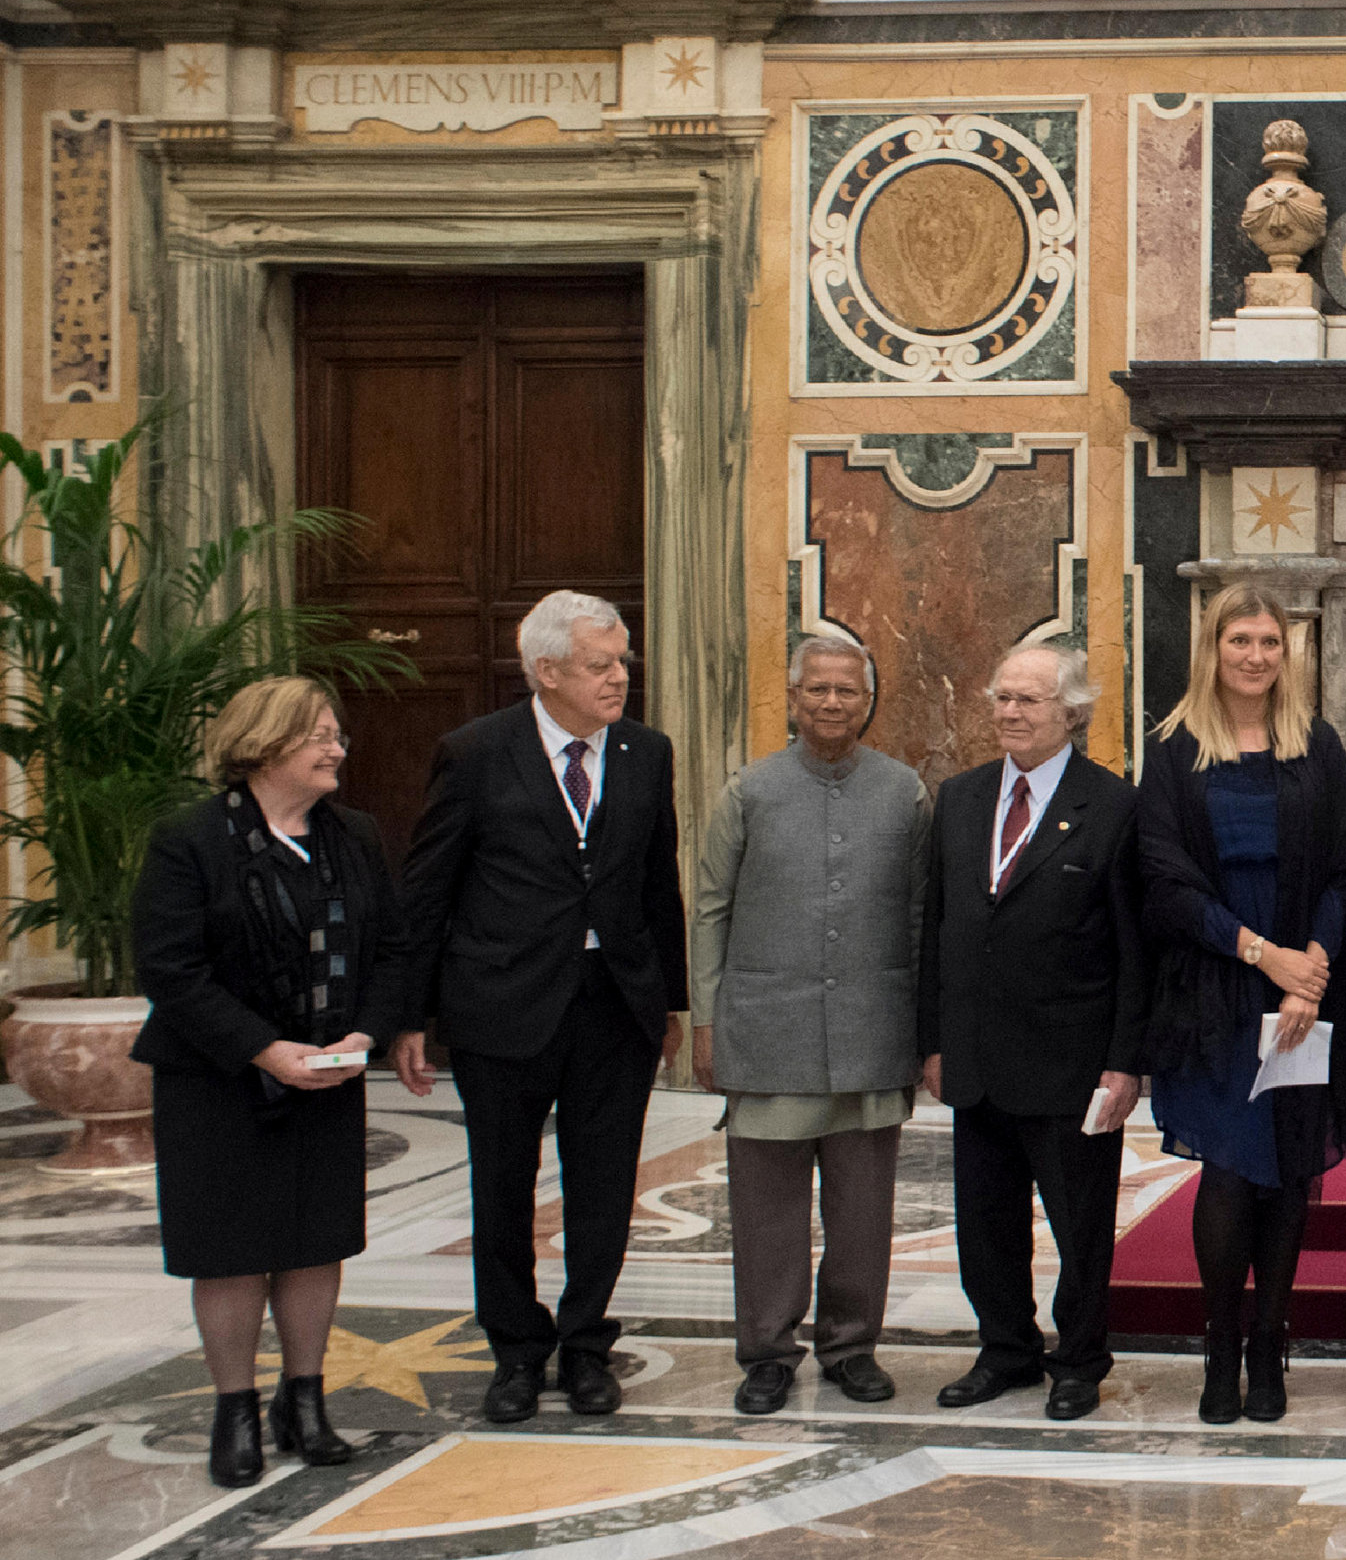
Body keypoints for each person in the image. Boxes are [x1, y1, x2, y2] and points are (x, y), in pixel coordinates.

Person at [389, 591, 688, 1426]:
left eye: (623, 661)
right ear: (547, 671)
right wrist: (408, 1015)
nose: (619, 677)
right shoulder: (476, 753)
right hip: (501, 1006)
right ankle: (517, 1350)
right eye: (600, 664)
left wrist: (670, 1002)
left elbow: (656, 884)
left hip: (614, 1007)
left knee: (604, 1188)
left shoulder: (645, 752)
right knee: (502, 1188)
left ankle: (587, 1344)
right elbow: (428, 890)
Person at [133, 680, 407, 1487]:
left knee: (317, 1241)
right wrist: (262, 1049)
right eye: (318, 735)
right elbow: (170, 970)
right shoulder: (189, 840)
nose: (336, 749)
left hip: (327, 1074)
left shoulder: (354, 835)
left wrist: (367, 1034)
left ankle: (305, 1400)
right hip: (216, 1079)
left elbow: (393, 949)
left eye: (336, 735)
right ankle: (236, 1410)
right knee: (230, 1250)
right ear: (262, 744)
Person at [690, 633, 929, 1417]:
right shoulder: (749, 791)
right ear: (793, 698)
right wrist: (706, 1019)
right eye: (817, 689)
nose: (832, 703)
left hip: (871, 1031)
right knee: (766, 1214)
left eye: (847, 691)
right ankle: (766, 1352)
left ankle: (851, 1346)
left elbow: (921, 916)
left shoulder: (904, 793)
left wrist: (924, 1030)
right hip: (768, 1031)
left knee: (862, 1211)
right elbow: (712, 909)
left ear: (868, 702)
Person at [1140, 584, 1346, 1425]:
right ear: (1213, 648)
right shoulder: (1173, 750)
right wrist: (1263, 956)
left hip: (1304, 991)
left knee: (1292, 1171)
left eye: (1270, 642)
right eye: (1241, 640)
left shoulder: (1317, 745)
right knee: (1231, 1170)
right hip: (1213, 988)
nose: (1256, 656)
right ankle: (1221, 1347)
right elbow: (1163, 879)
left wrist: (1312, 965)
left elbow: (1342, 868)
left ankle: (1271, 1343)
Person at [919, 642, 1148, 1423]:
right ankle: (1004, 1349)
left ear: (1072, 712)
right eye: (1002, 697)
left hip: (1072, 1060)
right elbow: (937, 928)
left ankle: (1078, 1360)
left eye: (1028, 700)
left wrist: (1125, 1063)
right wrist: (934, 1041)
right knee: (985, 1222)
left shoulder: (1113, 805)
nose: (1009, 712)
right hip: (977, 1055)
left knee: (1079, 1225)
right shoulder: (959, 798)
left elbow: (1135, 949)